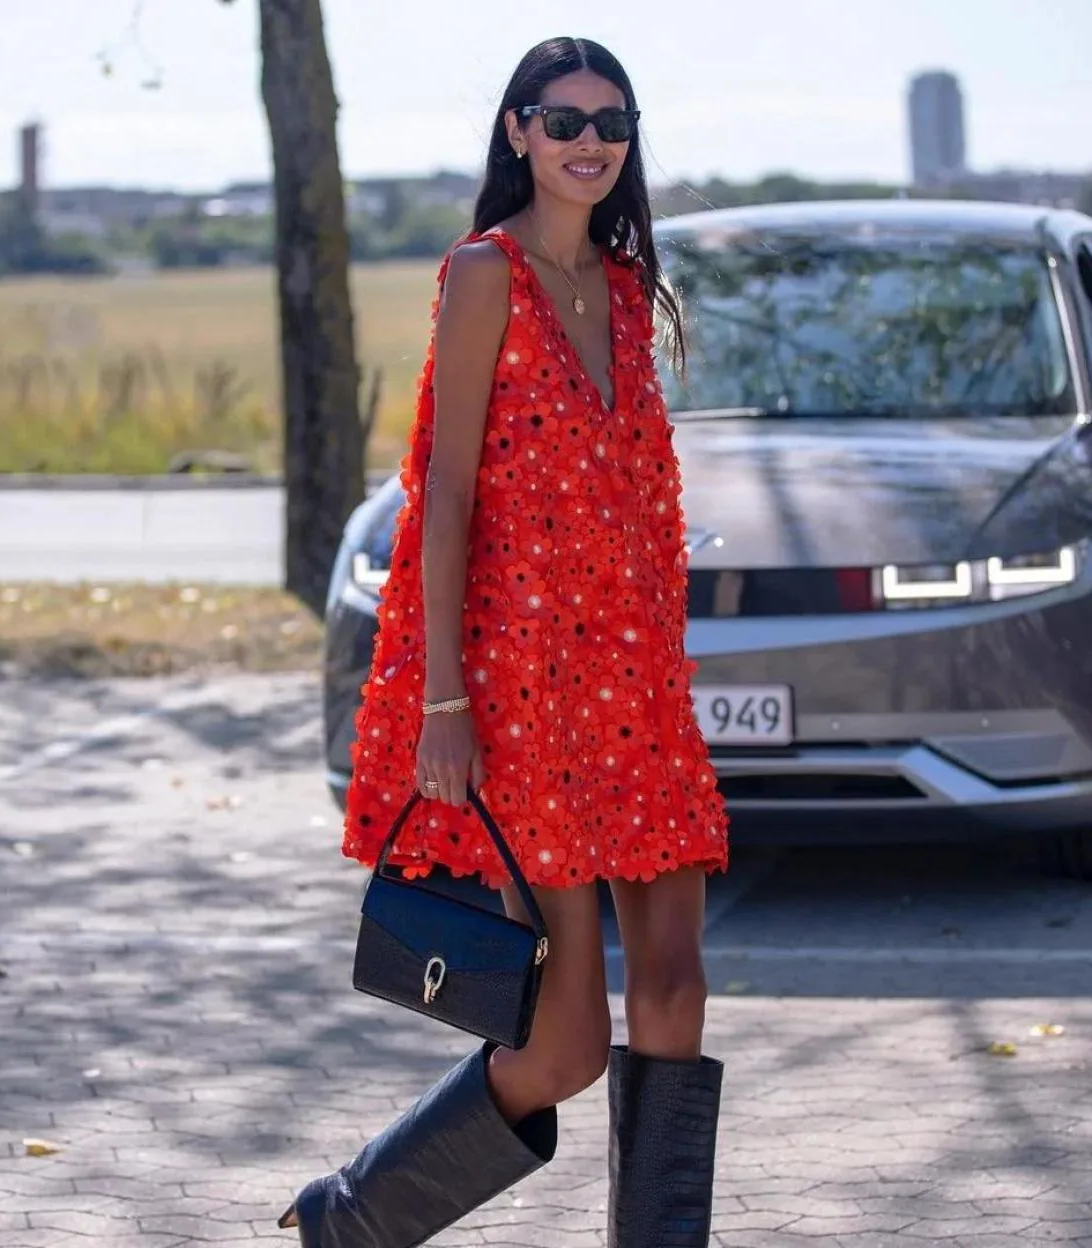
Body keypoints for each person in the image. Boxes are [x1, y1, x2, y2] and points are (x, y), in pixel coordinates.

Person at [279, 34, 729, 1248]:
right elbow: (448, 491)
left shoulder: (631, 291)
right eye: (563, 119)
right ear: (519, 133)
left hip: (637, 680)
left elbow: (630, 486)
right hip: (530, 689)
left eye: (611, 122)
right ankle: (354, 1216)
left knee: (678, 991)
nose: (590, 142)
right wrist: (442, 704)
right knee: (569, 1043)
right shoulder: (485, 273)